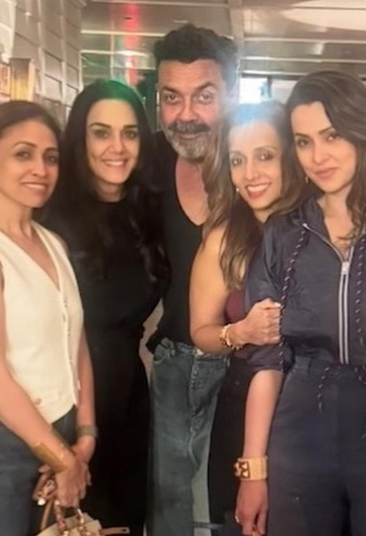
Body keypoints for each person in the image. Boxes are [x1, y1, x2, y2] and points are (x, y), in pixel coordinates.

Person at [235, 70, 366, 536]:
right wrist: (253, 470)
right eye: (303, 142)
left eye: (332, 136)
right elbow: (268, 362)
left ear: (362, 130)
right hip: (302, 430)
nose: (318, 156)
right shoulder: (284, 233)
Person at [0, 101, 95, 536]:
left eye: (50, 157)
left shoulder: (52, 242)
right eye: (23, 154)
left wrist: (85, 434)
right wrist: (62, 457)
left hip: (58, 433)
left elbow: (75, 341)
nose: (40, 169)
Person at [47, 79, 167, 536]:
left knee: (123, 523)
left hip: (128, 399)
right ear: (80, 139)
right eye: (101, 132)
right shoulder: (49, 217)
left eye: (130, 133)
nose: (117, 147)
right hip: (66, 403)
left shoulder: (148, 211)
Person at [190, 101, 301, 535]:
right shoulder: (224, 239)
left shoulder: (319, 226)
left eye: (265, 156)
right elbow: (200, 331)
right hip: (242, 403)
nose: (250, 173)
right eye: (238, 160)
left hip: (312, 403)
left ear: (290, 156)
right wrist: (241, 332)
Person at [147, 24, 238, 536]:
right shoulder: (149, 163)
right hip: (175, 364)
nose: (186, 114)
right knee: (171, 511)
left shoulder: (262, 164)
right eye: (171, 97)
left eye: (204, 96)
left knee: (237, 506)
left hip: (251, 366)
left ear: (232, 93)